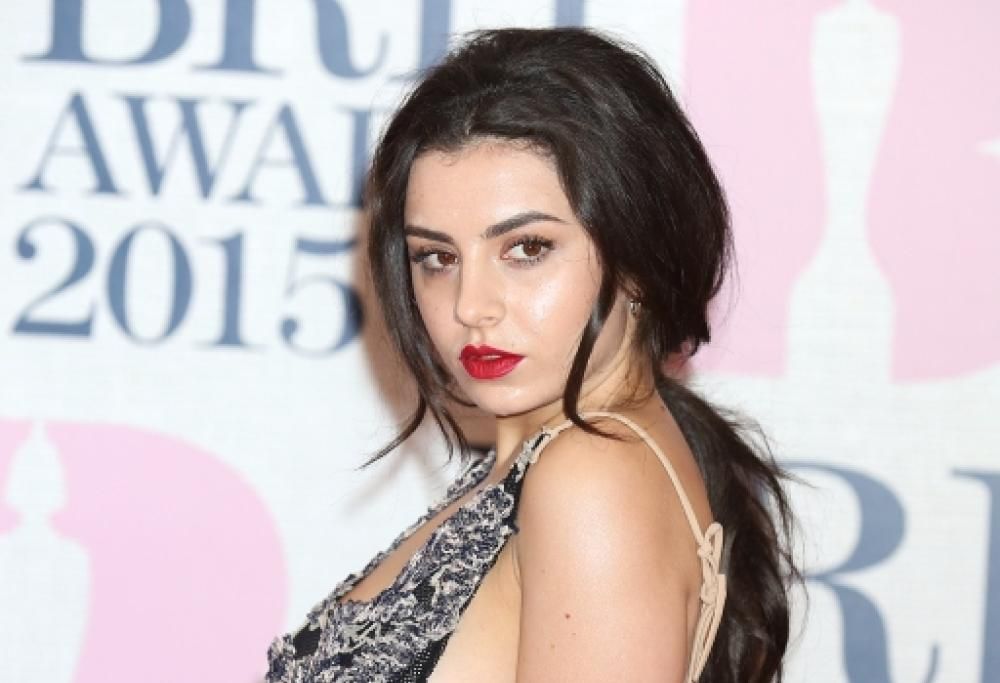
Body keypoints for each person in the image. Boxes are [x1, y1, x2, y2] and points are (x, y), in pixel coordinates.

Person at [266, 26, 800, 683]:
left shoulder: (590, 477)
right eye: (436, 257)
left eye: (526, 249)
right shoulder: (555, 458)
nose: (471, 305)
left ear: (637, 255)